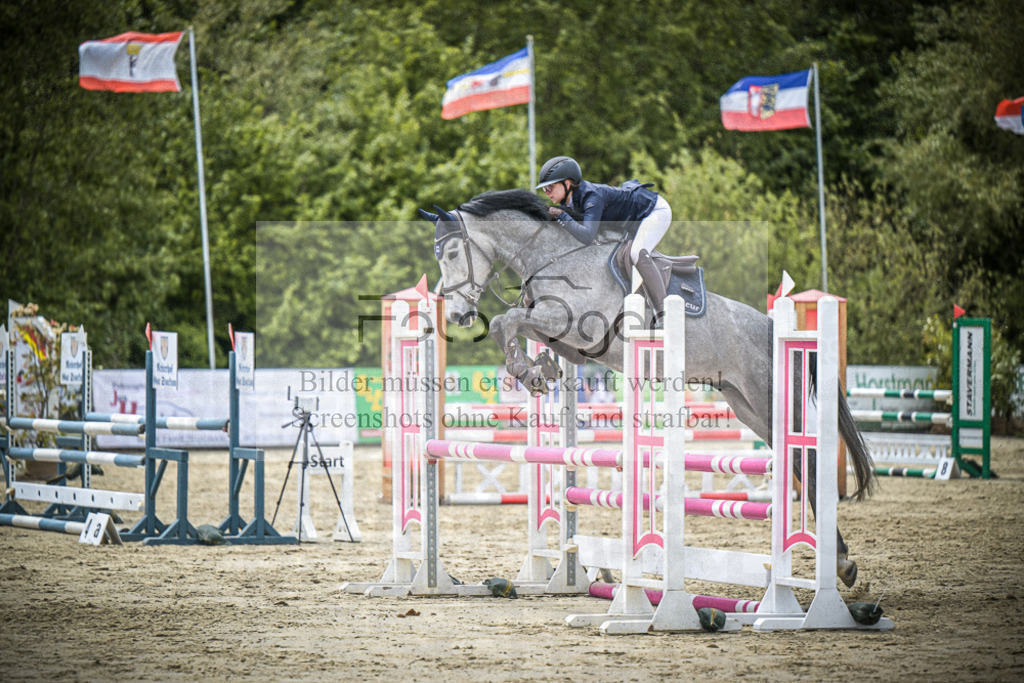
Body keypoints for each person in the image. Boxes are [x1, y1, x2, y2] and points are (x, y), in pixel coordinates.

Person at [535, 155, 672, 319]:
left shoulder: (592, 197)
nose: (547, 192)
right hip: (631, 222)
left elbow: (587, 236)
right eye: (544, 189)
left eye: (550, 187)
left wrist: (561, 216)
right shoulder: (570, 201)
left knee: (637, 252)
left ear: (567, 183)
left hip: (654, 211)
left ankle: (663, 311)